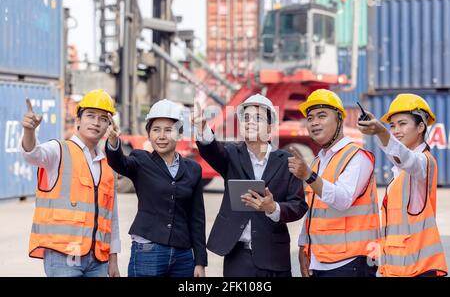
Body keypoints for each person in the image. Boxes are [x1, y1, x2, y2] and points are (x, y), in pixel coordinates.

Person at [193, 94, 308, 277]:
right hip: (238, 257)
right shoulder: (231, 155)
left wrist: (274, 208)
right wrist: (203, 128)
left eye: (258, 118)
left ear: (270, 128)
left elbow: (299, 205)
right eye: (246, 118)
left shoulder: (287, 162)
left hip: (274, 257)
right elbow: (212, 151)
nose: (250, 122)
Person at [21, 89, 121, 277]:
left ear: (109, 125)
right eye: (90, 116)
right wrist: (29, 131)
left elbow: (111, 218)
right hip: (63, 256)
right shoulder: (59, 150)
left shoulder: (107, 166)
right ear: (77, 121)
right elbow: (32, 154)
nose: (96, 122)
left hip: (98, 259)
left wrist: (113, 259)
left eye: (103, 118)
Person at [105, 99, 207, 277]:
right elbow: (119, 162)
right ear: (149, 134)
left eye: (169, 130)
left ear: (180, 135)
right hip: (148, 251)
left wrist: (199, 261)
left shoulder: (193, 169)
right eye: (156, 130)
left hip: (182, 255)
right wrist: (114, 141)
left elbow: (197, 218)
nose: (161, 136)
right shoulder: (141, 160)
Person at [291, 89, 380, 277]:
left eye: (322, 116)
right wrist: (303, 247)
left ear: (339, 119)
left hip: (352, 262)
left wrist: (309, 175)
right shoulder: (318, 162)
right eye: (310, 118)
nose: (314, 122)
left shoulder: (357, 157)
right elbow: (313, 211)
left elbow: (342, 199)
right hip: (320, 260)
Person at [357, 93, 448, 277]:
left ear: (421, 127)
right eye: (392, 125)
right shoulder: (399, 172)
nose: (396, 130)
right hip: (399, 268)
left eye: (402, 123)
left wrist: (381, 131)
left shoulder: (424, 163)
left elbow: (407, 159)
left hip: (420, 268)